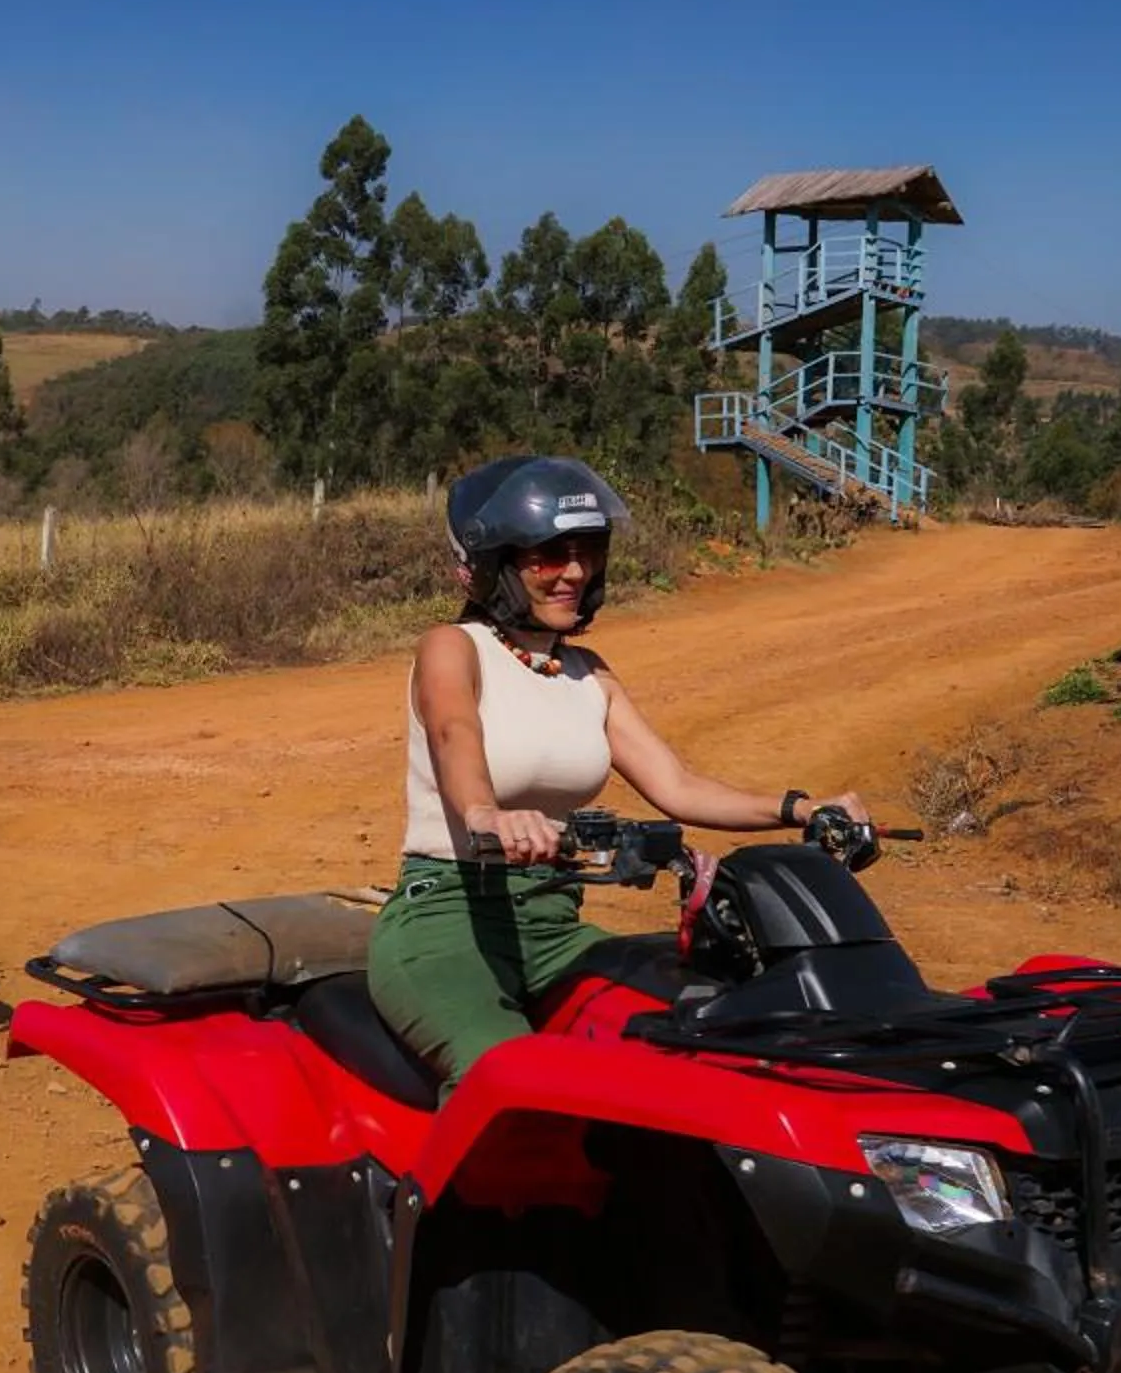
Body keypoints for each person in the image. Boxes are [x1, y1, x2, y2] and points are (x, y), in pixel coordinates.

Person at [367, 456, 868, 1095]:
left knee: (688, 1034)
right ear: (495, 564)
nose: (574, 572)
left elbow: (677, 785)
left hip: (554, 929)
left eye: (588, 551)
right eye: (549, 555)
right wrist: (486, 815)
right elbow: (452, 733)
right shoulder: (454, 648)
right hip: (446, 923)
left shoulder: (588, 674)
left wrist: (801, 806)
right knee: (509, 1079)